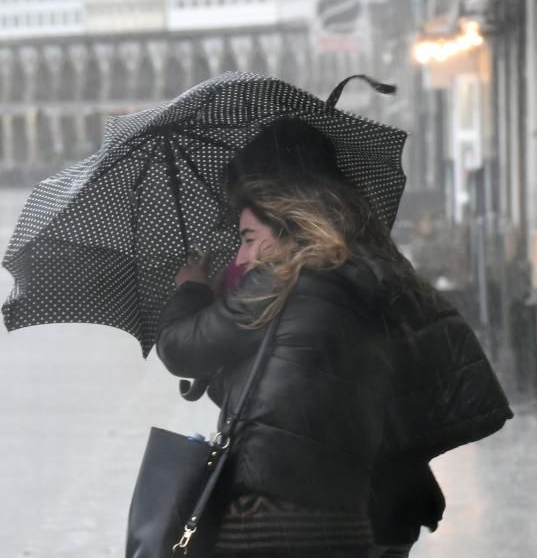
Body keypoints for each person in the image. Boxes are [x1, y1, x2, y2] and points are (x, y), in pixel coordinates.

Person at [156, 176, 432, 557]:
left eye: (249, 238)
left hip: (284, 507)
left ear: (290, 232)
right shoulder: (367, 277)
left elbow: (180, 351)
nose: (241, 256)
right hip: (379, 502)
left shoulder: (280, 283)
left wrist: (193, 289)